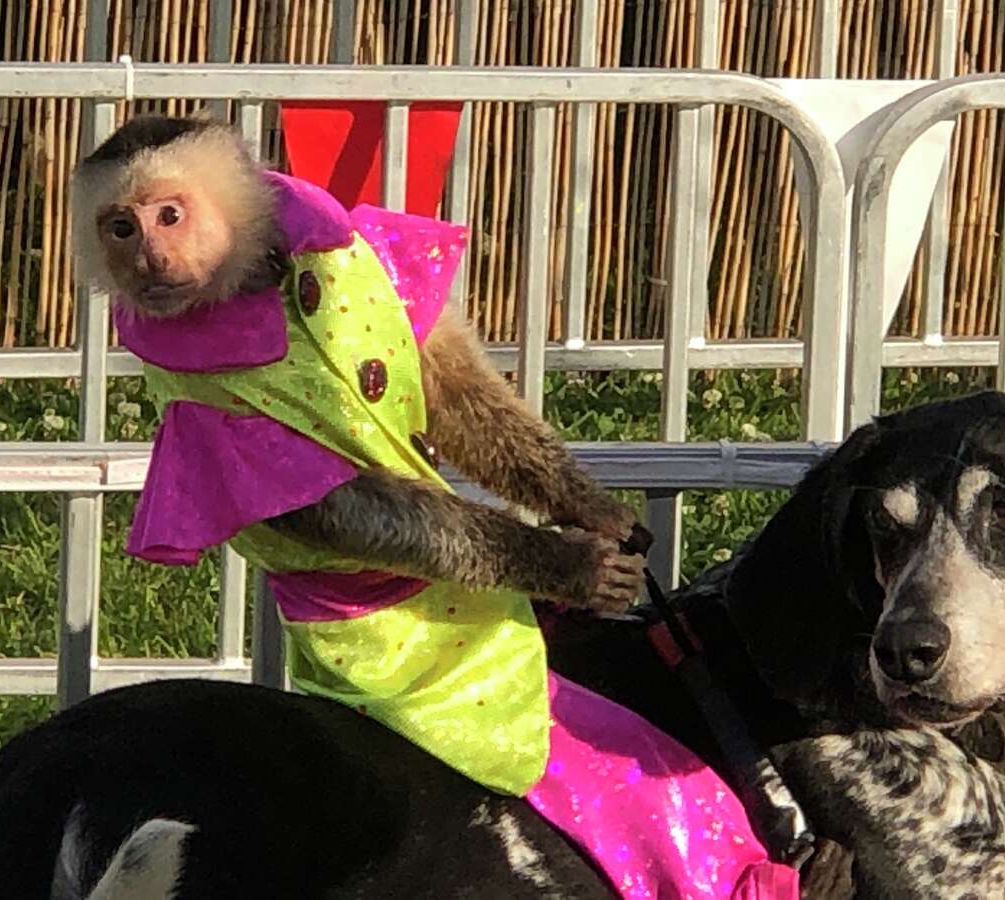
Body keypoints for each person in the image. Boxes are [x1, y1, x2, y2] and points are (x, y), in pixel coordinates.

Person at [116, 169, 799, 899]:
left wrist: (573, 498)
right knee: (645, 786)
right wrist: (555, 564)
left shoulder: (348, 263)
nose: (150, 255)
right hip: (382, 636)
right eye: (120, 229)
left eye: (170, 217)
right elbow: (352, 517)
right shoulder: (199, 377)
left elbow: (460, 397)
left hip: (460, 601)